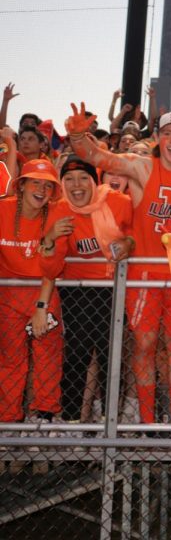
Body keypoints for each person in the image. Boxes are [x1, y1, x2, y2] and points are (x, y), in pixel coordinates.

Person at [68, 104, 171, 425]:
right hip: (143, 275)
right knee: (144, 346)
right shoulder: (141, 167)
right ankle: (146, 421)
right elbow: (98, 158)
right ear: (158, 137)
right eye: (168, 134)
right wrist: (77, 134)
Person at [40, 156, 134, 422]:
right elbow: (50, 269)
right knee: (77, 354)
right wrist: (49, 239)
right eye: (69, 179)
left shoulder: (119, 203)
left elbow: (136, 232)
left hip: (113, 289)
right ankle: (71, 421)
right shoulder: (59, 210)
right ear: (62, 183)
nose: (76, 185)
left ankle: (110, 420)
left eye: (83, 178)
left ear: (95, 180)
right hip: (77, 291)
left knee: (111, 355)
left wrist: (130, 241)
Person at [0, 159, 65, 424]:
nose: (41, 190)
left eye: (48, 186)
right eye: (35, 182)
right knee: (10, 362)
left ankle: (44, 421)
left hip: (44, 294)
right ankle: (9, 422)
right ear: (22, 185)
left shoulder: (58, 214)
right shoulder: (3, 210)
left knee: (47, 360)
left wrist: (41, 309)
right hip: (8, 297)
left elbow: (52, 267)